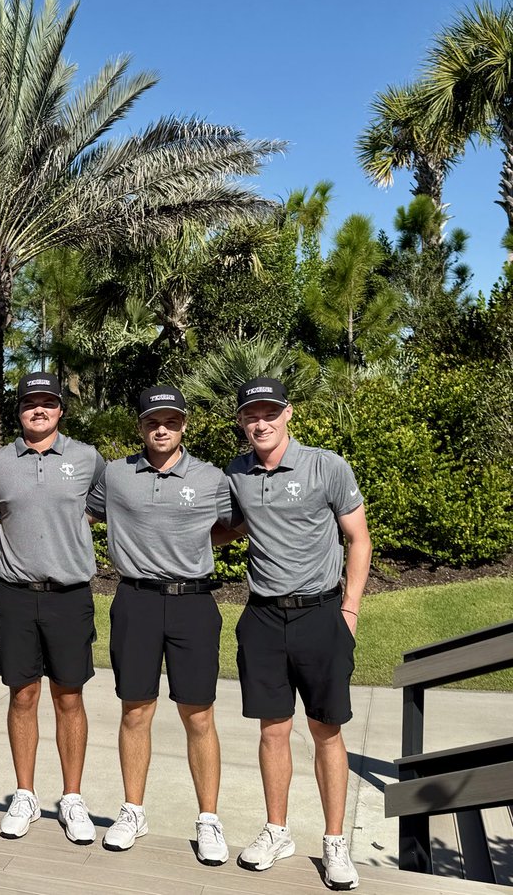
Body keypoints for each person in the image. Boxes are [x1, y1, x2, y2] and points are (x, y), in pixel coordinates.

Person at [223, 377, 370, 891]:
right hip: (263, 617)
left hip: (321, 614)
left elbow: (358, 538)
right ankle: (277, 831)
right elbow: (227, 528)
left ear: (288, 413)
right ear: (241, 421)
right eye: (251, 415)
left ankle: (335, 842)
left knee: (326, 729)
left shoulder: (326, 466)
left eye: (269, 412)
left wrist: (349, 610)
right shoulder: (236, 473)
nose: (260, 422)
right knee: (273, 730)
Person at [85, 385, 232, 865]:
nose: (161, 429)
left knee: (199, 715)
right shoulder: (115, 474)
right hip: (136, 601)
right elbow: (85, 515)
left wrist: (194, 541)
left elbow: (235, 524)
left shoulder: (211, 477)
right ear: (141, 427)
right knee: (135, 710)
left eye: (170, 421)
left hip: (193, 603)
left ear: (184, 425)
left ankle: (208, 819)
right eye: (152, 422)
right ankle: (133, 811)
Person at [0, 372, 104, 845]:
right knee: (23, 695)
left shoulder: (87, 458)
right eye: (30, 403)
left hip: (70, 595)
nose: (39, 410)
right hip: (15, 594)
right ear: (18, 411)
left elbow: (103, 505)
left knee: (69, 697)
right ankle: (25, 795)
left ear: (60, 410)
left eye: (48, 403)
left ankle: (71, 798)